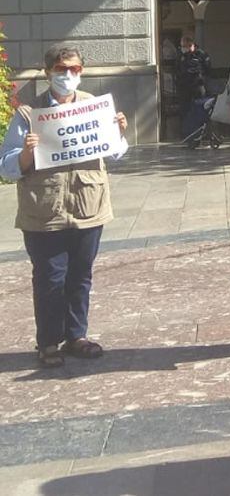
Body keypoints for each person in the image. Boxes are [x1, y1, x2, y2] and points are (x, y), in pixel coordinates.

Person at [0, 43, 128, 367]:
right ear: (48, 73)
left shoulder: (93, 107)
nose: (68, 75)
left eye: (74, 69)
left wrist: (119, 133)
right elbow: (6, 165)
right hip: (44, 212)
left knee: (81, 275)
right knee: (49, 278)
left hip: (88, 207)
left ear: (81, 72)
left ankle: (77, 335)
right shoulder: (29, 114)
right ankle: (48, 343)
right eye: (61, 70)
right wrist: (27, 152)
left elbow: (114, 152)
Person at [176, 34, 211, 116]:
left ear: (191, 44)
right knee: (184, 109)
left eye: (185, 46)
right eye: (182, 46)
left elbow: (208, 69)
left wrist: (201, 77)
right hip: (184, 86)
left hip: (198, 85)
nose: (183, 48)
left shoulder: (201, 54)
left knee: (200, 107)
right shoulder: (181, 55)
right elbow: (177, 68)